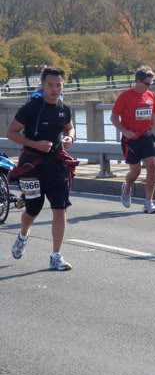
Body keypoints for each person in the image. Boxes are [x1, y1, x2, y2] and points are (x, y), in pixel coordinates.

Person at [7, 67, 77, 271]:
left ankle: (56, 256)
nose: (55, 89)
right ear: (43, 85)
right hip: (32, 164)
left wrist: (70, 137)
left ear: (63, 85)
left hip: (56, 163)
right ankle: (23, 234)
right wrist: (36, 145)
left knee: (60, 207)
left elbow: (69, 126)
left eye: (59, 85)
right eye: (50, 85)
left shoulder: (64, 108)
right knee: (33, 208)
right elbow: (11, 132)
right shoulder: (32, 107)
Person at [111, 66, 155, 214]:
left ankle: (149, 202)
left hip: (147, 136)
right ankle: (127, 187)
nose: (149, 86)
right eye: (147, 83)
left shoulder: (151, 96)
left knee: (153, 167)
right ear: (138, 81)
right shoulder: (125, 96)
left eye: (151, 84)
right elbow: (114, 117)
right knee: (135, 172)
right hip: (131, 139)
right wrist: (124, 131)